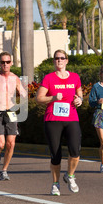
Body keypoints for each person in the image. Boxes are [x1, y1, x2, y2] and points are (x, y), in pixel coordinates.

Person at [36, 49, 83, 196]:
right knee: (55, 155)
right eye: (57, 58)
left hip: (71, 118)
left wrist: (79, 100)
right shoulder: (49, 78)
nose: (59, 60)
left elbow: (79, 93)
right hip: (53, 119)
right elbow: (39, 98)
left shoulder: (75, 77)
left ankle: (70, 175)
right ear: (54, 61)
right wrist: (53, 98)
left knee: (75, 151)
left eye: (62, 58)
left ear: (67, 60)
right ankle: (55, 184)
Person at [0, 51, 27, 181]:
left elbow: (21, 92)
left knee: (11, 143)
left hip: (11, 112)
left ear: (11, 63)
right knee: (1, 144)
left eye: (8, 62)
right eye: (3, 62)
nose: (5, 64)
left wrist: (23, 93)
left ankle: (4, 170)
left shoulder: (15, 78)